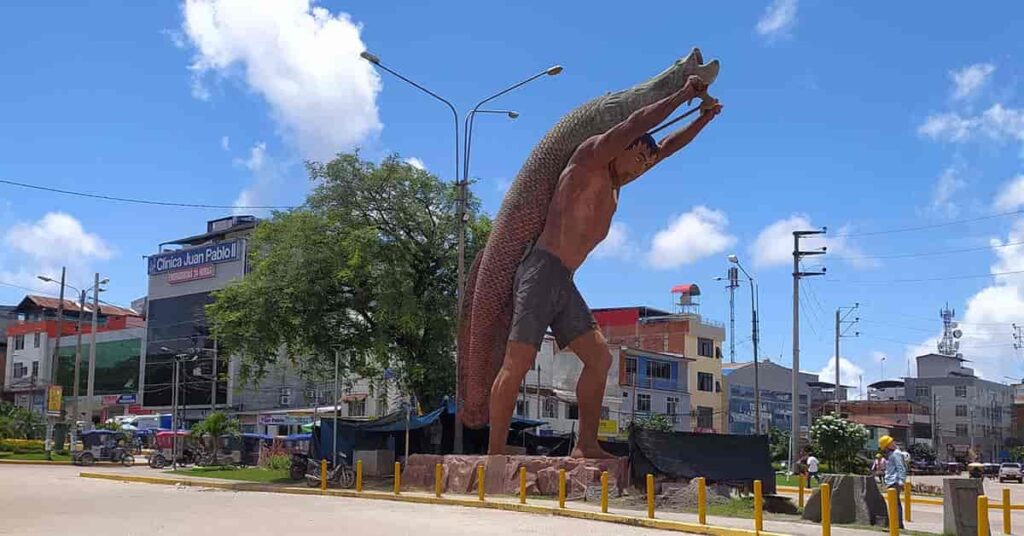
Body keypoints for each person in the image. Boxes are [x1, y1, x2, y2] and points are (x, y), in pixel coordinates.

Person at [486, 74, 723, 457]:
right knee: (520, 360)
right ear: (621, 147)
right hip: (540, 271)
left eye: (647, 162)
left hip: (563, 280)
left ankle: (585, 445)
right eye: (639, 156)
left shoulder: (615, 183)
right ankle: (496, 452)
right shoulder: (590, 158)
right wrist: (684, 95)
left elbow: (666, 146)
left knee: (599, 359)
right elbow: (636, 125)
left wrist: (703, 119)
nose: (642, 166)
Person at [881, 435, 907, 529]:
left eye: (891, 442)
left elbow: (901, 467)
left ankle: (898, 524)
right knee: (895, 503)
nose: (892, 443)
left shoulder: (896, 453)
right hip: (891, 481)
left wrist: (901, 481)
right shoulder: (892, 454)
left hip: (894, 481)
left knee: (895, 503)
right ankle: (895, 523)